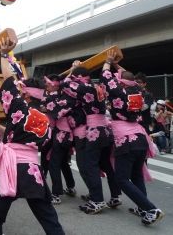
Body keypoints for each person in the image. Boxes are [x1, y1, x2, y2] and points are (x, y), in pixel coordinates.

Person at [0, 37, 64, 235]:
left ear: (26, 95)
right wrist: (1, 127)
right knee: (48, 217)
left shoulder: (20, 109)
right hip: (32, 170)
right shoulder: (47, 121)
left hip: (10, 169)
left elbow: (8, 83)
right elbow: (22, 137)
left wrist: (3, 54)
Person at [101, 49, 164, 225]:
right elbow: (125, 75)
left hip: (126, 139)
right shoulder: (138, 90)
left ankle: (151, 209)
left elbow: (105, 76)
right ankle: (144, 209)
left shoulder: (118, 92)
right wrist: (116, 64)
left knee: (121, 179)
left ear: (120, 81)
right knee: (136, 175)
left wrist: (107, 61)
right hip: (140, 137)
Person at [62, 63, 121, 214]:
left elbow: (65, 84)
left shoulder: (84, 88)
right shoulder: (97, 87)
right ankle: (115, 196)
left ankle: (97, 201)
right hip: (105, 129)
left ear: (79, 78)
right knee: (107, 165)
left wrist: (71, 71)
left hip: (93, 131)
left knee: (90, 167)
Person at [41, 74, 76, 205]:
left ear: (54, 85)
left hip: (61, 134)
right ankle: (71, 186)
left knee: (54, 164)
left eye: (48, 84)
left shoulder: (51, 98)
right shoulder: (65, 97)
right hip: (67, 134)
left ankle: (56, 194)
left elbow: (47, 108)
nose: (46, 86)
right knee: (62, 162)